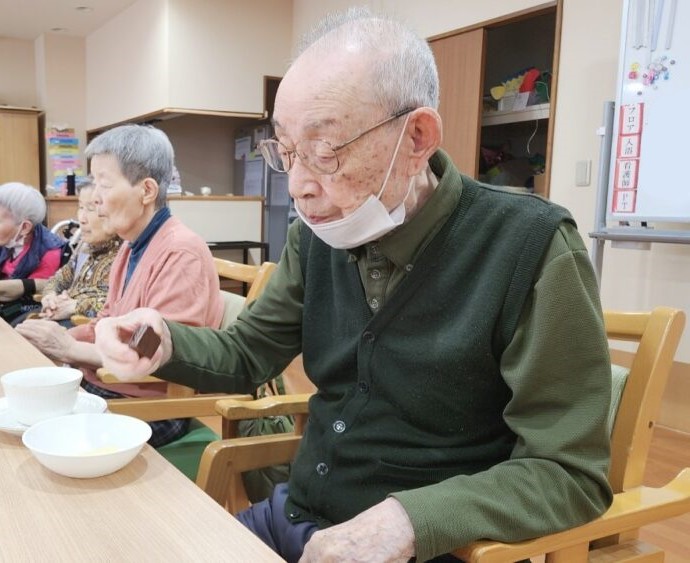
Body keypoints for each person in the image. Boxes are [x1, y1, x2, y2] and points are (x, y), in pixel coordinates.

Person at [94, 8, 613, 563]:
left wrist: (410, 521)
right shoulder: (315, 239)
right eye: (286, 153)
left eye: (324, 152)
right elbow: (248, 353)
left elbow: (569, 473)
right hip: (299, 513)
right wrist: (165, 341)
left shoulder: (528, 246)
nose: (298, 187)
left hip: (426, 547)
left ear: (416, 136)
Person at [17, 124, 224, 447]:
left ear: (146, 191)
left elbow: (159, 353)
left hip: (153, 406)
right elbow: (106, 321)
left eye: (104, 184)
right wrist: (56, 341)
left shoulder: (181, 252)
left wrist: (69, 348)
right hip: (110, 385)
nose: (95, 199)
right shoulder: (131, 246)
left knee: (32, 429)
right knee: (21, 404)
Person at [38, 180, 121, 324]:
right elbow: (58, 280)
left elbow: (123, 305)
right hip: (65, 319)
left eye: (90, 209)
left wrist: (75, 305)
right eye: (80, 207)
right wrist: (50, 297)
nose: (82, 219)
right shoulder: (85, 247)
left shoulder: (127, 254)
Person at [0, 182, 65, 323]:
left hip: (24, 307)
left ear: (24, 227)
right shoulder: (7, 240)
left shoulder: (49, 252)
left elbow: (36, 293)